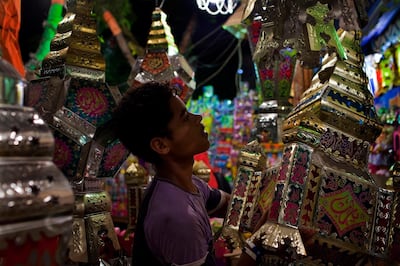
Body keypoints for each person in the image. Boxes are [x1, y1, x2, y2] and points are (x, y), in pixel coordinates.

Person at [112, 81, 262, 266]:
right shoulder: (178, 218)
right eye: (184, 118)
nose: (197, 118)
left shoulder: (191, 185)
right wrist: (259, 243)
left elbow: (233, 206)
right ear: (161, 145)